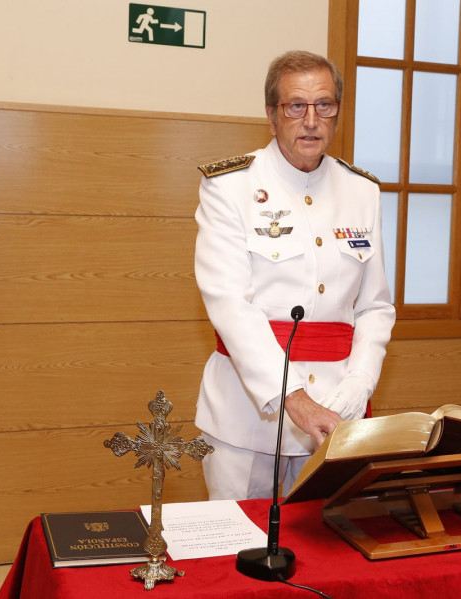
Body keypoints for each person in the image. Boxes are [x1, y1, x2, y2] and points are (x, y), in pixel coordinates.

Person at [193, 50, 396, 500]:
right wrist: (294, 397)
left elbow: (376, 306)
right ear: (271, 115)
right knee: (238, 554)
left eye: (324, 105)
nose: (311, 120)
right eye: (295, 106)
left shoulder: (362, 191)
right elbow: (230, 305)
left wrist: (356, 389)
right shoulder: (230, 186)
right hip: (247, 416)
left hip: (337, 412)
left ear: (337, 113)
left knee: (326, 551)